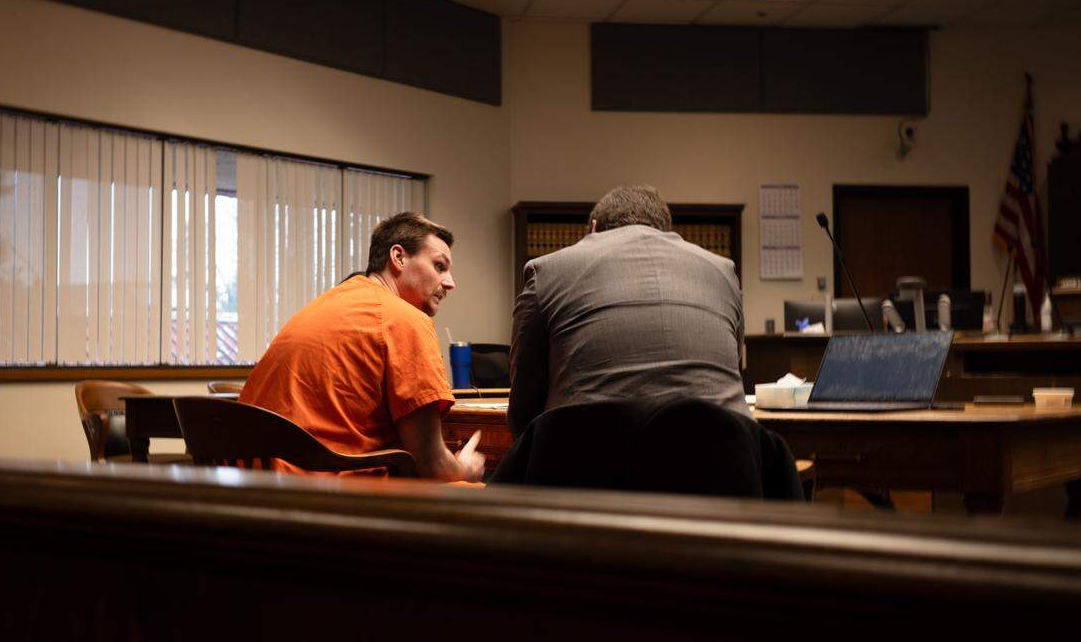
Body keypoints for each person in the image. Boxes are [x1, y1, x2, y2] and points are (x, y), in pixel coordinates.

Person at [241, 212, 484, 481]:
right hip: (319, 490)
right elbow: (432, 465)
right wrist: (467, 469)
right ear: (398, 257)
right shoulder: (406, 320)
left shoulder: (330, 303)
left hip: (252, 483)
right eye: (439, 266)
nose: (450, 283)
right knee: (479, 493)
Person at [508, 185, 748, 438]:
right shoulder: (724, 272)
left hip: (587, 453)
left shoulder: (546, 271)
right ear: (666, 233)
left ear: (593, 228)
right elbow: (734, 363)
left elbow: (523, 408)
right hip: (723, 450)